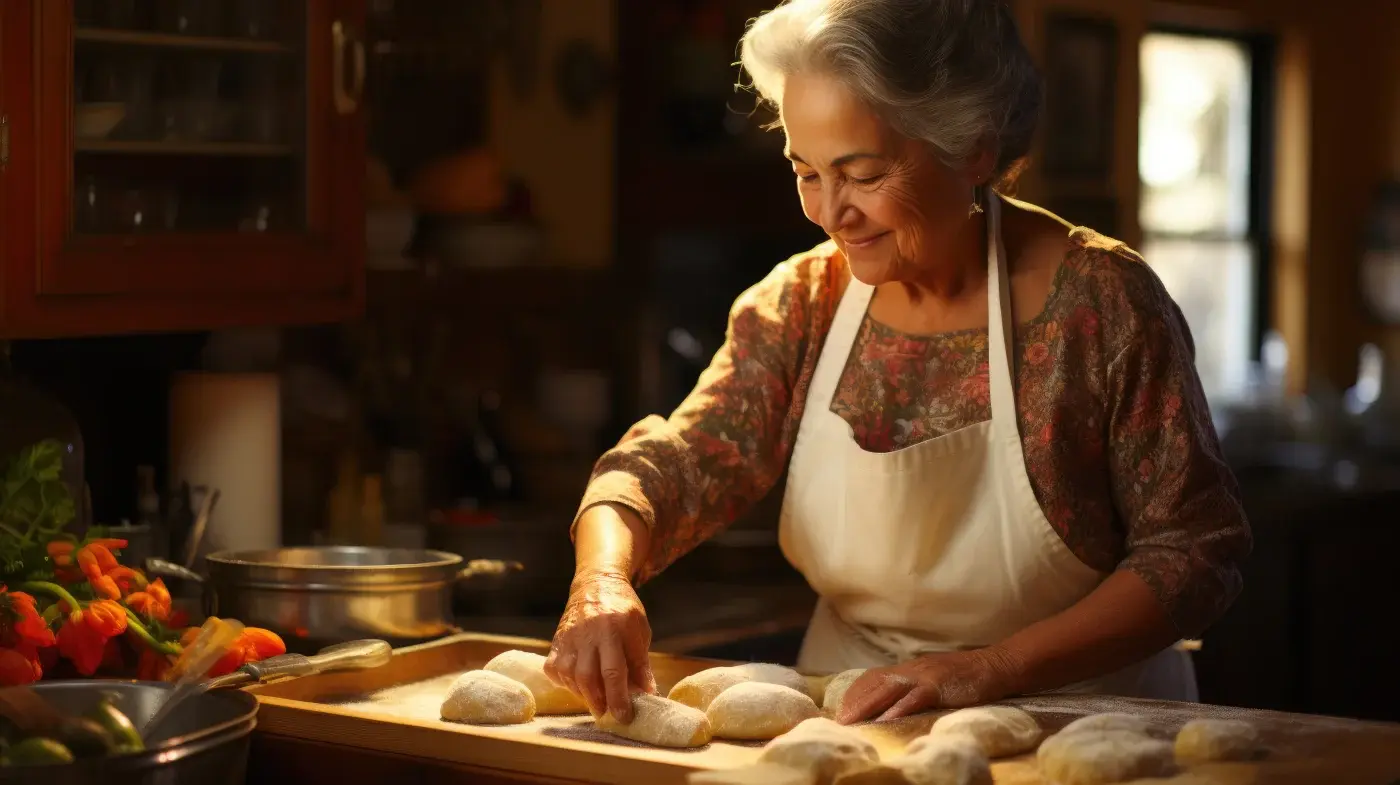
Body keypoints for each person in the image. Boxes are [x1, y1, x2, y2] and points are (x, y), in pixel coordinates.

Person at [545, 0, 1251, 725]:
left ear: (973, 147)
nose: (827, 212)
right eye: (806, 170)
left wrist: (991, 668)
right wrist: (600, 579)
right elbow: (673, 465)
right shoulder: (802, 303)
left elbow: (1193, 552)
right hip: (855, 716)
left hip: (1083, 715)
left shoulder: (1101, 303)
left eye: (862, 173)